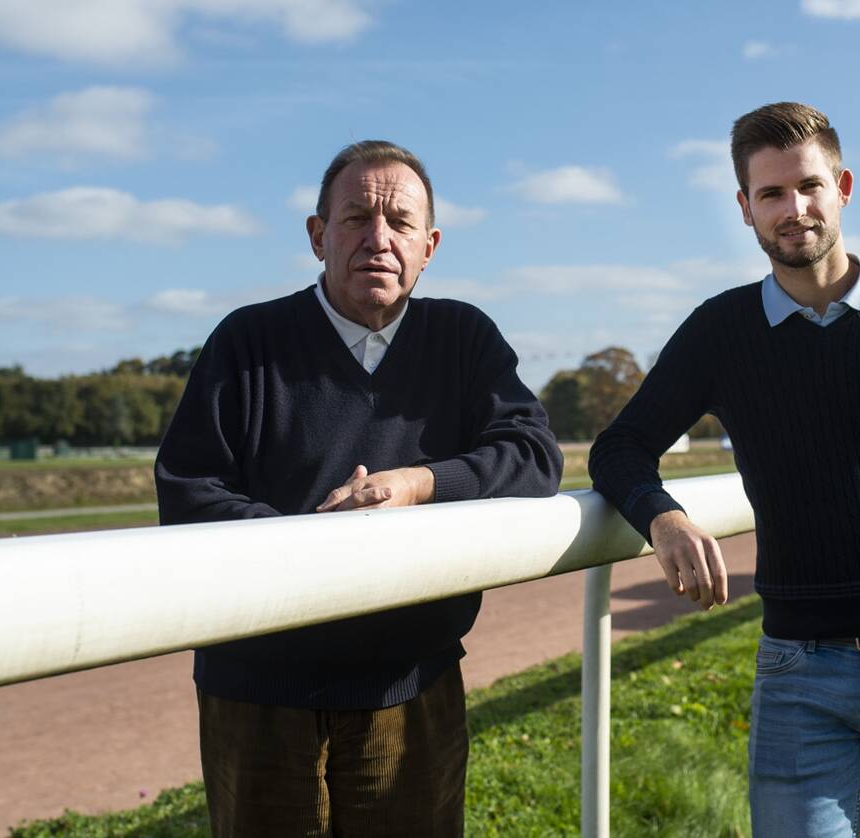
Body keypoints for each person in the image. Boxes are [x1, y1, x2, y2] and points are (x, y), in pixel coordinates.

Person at [588, 103, 860, 837]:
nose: (793, 209)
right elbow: (620, 445)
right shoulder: (720, 330)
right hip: (800, 669)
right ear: (745, 209)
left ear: (844, 187)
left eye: (808, 186)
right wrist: (661, 518)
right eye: (770, 194)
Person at [155, 140, 563, 837]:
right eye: (356, 219)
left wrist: (418, 485)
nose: (379, 239)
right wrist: (321, 547)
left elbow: (533, 456)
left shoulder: (464, 338)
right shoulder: (247, 341)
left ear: (429, 245)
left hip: (411, 685)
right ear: (318, 236)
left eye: (401, 222)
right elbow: (190, 491)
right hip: (258, 693)